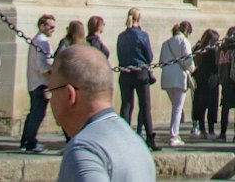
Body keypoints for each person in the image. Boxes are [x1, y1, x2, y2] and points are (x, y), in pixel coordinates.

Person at [49, 43, 156, 182]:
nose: (49, 100)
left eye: (51, 91)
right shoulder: (136, 142)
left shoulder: (84, 150)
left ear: (70, 95)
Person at [115, 9, 157, 151]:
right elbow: (149, 56)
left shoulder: (121, 36)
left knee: (126, 105)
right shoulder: (142, 35)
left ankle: (124, 137)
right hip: (140, 73)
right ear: (139, 18)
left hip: (125, 72)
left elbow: (119, 55)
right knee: (145, 106)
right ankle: (150, 137)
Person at [20, 14, 56, 153]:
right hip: (41, 83)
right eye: (50, 27)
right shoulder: (42, 42)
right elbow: (43, 67)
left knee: (33, 112)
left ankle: (26, 141)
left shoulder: (37, 40)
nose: (53, 30)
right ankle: (30, 143)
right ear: (42, 26)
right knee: (37, 113)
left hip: (34, 82)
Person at [158, 21, 194, 146]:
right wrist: (192, 69)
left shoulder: (165, 43)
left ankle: (174, 133)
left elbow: (161, 62)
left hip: (167, 77)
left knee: (175, 106)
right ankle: (174, 135)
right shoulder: (184, 41)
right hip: (179, 77)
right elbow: (189, 61)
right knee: (177, 108)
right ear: (186, 31)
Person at [191, 29, 220, 140]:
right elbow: (216, 66)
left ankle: (202, 130)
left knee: (201, 106)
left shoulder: (199, 49)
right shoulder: (213, 50)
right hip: (212, 80)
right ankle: (211, 130)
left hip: (201, 78)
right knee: (211, 106)